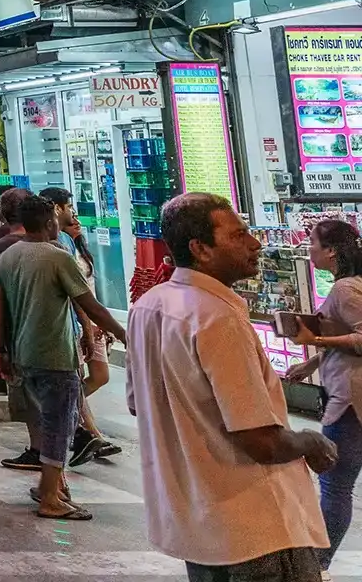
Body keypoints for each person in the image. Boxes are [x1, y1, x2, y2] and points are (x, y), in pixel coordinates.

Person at [133, 193, 333, 580]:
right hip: (253, 527)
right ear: (200, 249)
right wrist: (311, 441)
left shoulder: (150, 306)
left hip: (198, 524)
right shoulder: (216, 318)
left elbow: (140, 403)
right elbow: (261, 440)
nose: (254, 243)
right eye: (239, 234)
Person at [0, 194, 127, 521]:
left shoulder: (7, 257)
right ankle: (50, 496)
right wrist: (120, 333)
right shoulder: (58, 257)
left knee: (49, 422)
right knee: (60, 427)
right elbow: (89, 305)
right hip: (55, 355)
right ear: (49, 221)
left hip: (23, 354)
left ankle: (50, 485)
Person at [283, 216, 362, 570]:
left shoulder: (346, 289)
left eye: (312, 243)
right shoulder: (349, 285)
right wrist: (314, 363)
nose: (308, 248)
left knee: (334, 485)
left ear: (331, 251)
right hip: (349, 396)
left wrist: (314, 339)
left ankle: (317, 565)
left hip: (352, 403)